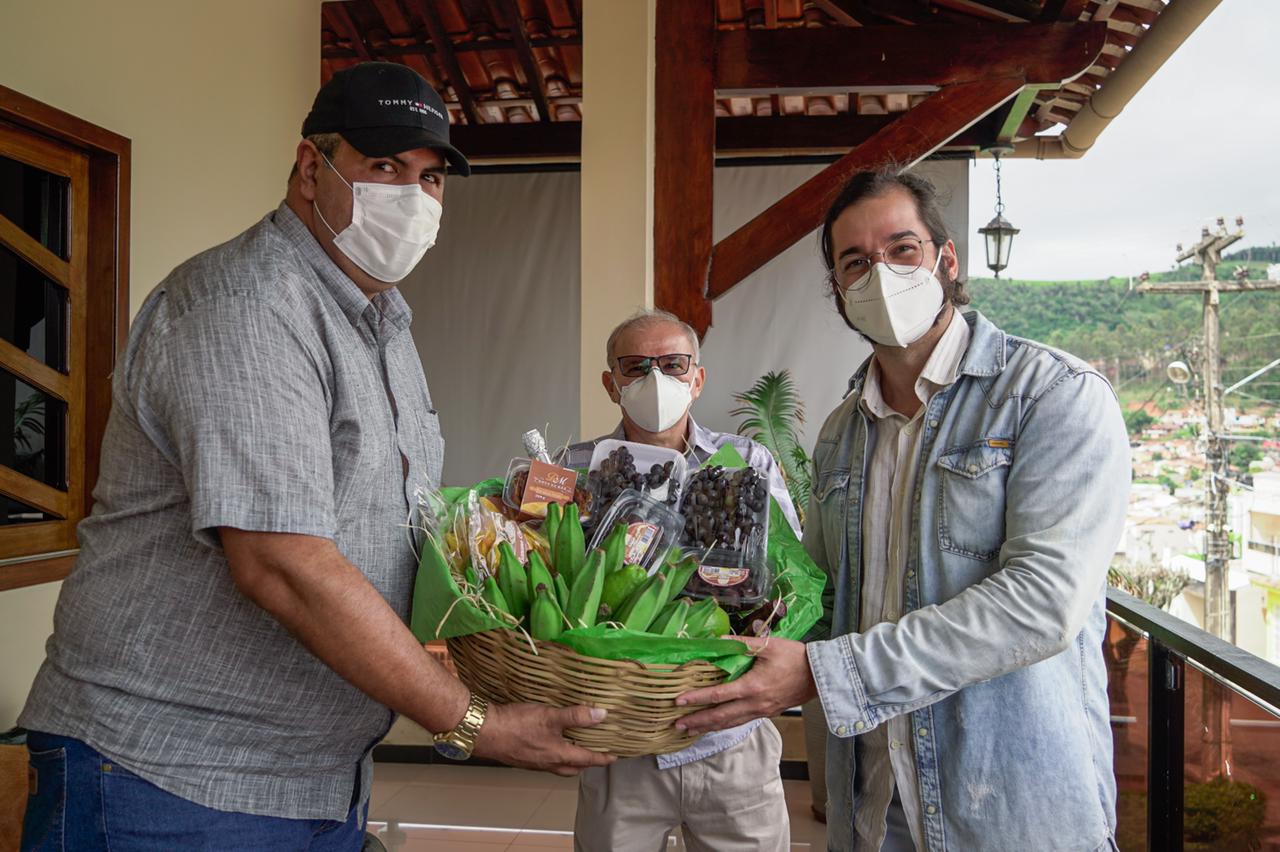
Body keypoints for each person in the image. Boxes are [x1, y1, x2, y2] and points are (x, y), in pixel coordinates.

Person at [18, 62, 610, 851]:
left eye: (431, 178)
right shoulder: (246, 307)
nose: (415, 197)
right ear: (310, 168)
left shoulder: (383, 325)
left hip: (315, 777)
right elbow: (283, 562)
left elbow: (388, 522)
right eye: (385, 167)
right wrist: (475, 724)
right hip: (169, 780)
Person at [675, 169, 1130, 851]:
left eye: (902, 250)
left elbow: (1042, 602)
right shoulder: (840, 431)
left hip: (1009, 814)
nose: (879, 275)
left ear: (947, 261)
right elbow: (825, 601)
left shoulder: (1052, 396)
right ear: (838, 292)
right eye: (855, 262)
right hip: (872, 810)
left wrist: (827, 673)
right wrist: (709, 633)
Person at [566, 309, 801, 852]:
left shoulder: (745, 460)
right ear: (611, 383)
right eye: (636, 366)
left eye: (673, 365)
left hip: (729, 734)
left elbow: (788, 578)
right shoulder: (578, 467)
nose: (656, 380)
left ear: (697, 378)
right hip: (619, 739)